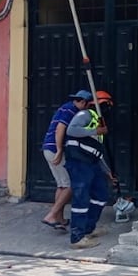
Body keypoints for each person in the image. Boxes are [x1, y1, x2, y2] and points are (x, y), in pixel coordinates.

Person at [63, 90, 116, 249]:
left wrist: (107, 171)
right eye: (106, 104)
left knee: (101, 195)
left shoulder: (99, 121)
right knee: (81, 199)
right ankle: (77, 238)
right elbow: (71, 130)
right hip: (79, 163)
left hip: (92, 163)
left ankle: (88, 229)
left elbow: (96, 151)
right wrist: (95, 131)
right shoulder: (85, 114)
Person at [40, 89, 91, 230]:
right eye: (88, 105)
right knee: (70, 185)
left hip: (48, 148)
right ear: (83, 102)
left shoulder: (65, 107)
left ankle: (59, 219)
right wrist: (59, 149)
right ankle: (51, 215)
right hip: (55, 149)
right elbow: (60, 128)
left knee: (62, 185)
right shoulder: (70, 111)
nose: (87, 109)